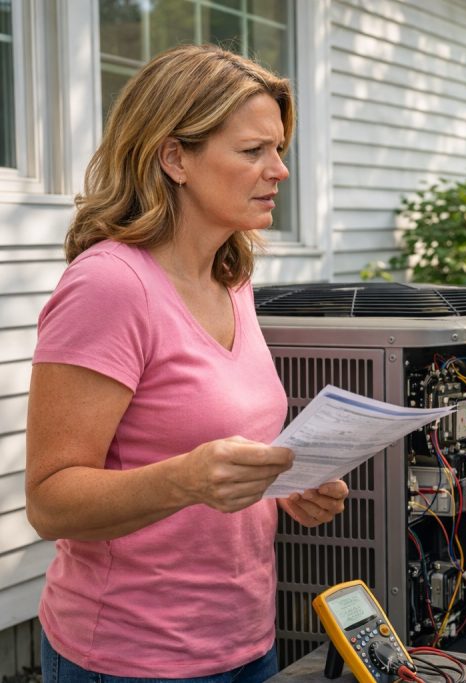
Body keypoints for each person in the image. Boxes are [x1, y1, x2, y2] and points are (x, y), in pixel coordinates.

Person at [25, 44, 348, 681]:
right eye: (254, 151)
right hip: (128, 658)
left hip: (246, 641)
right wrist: (188, 480)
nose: (279, 170)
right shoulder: (110, 286)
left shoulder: (232, 280)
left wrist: (283, 486)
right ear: (175, 157)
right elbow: (50, 501)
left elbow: (213, 443)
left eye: (279, 150)